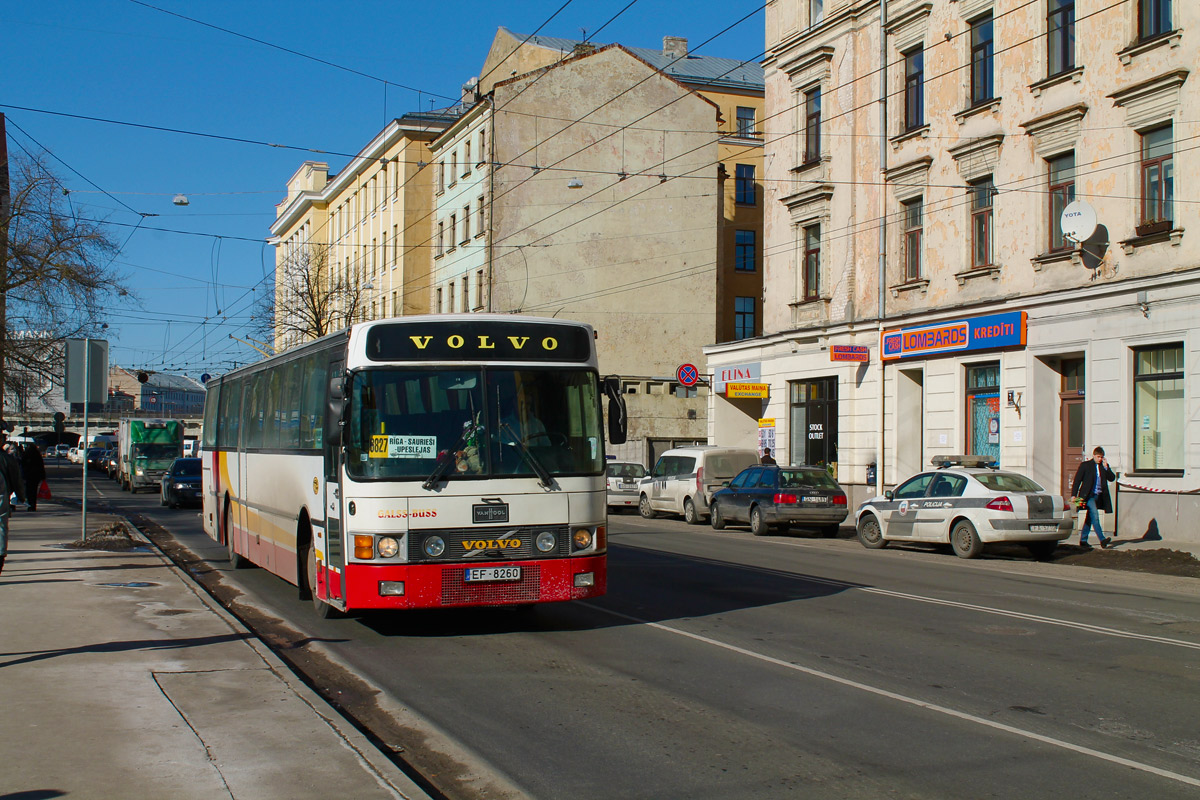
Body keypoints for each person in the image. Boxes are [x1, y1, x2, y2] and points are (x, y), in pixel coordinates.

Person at [1071, 446, 1116, 549]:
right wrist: (1074, 495)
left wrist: (1107, 468)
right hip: (1088, 496)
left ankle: (1083, 540)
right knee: (1095, 516)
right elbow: (1077, 480)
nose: (1100, 459)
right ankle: (1102, 539)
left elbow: (1112, 478)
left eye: (1101, 457)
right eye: (1098, 456)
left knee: (1090, 518)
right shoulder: (1086, 466)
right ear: (1094, 455)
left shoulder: (1103, 466)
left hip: (1098, 495)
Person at [0, 439, 27, 574]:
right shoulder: (7, 459)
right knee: (1, 526)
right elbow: (17, 480)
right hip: (1, 498)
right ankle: (0, 555)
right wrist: (21, 497)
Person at [20, 442, 46, 512]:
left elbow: (22, 465)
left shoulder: (26, 454)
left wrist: (23, 475)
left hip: (28, 476)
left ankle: (30, 504)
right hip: (36, 476)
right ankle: (33, 505)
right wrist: (43, 476)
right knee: (34, 491)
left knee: (29, 491)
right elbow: (41, 466)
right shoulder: (37, 455)